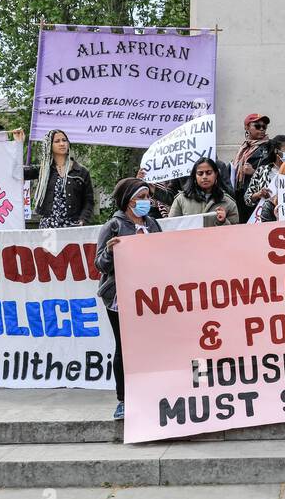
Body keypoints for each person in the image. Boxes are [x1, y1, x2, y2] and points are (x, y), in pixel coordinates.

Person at [96, 179, 162, 421]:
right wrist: (110, 251)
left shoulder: (153, 224)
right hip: (119, 297)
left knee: (150, 346)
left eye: (148, 196)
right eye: (142, 196)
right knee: (124, 348)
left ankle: (148, 393)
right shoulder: (112, 226)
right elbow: (99, 265)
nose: (147, 201)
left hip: (148, 296)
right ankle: (124, 399)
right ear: (128, 200)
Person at [16, 129, 95, 228]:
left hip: (72, 226)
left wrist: (82, 220)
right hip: (48, 227)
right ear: (49, 145)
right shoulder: (44, 170)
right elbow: (17, 173)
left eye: (64, 140)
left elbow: (89, 201)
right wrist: (18, 144)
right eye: (57, 141)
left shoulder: (81, 172)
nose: (62, 144)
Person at [169, 157, 240, 226]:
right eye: (200, 173)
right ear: (195, 176)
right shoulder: (181, 200)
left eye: (209, 173)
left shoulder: (228, 203)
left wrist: (223, 221)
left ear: (216, 174)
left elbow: (234, 233)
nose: (204, 177)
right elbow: (171, 227)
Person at [242, 135, 285, 219]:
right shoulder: (262, 171)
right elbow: (247, 198)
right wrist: (259, 194)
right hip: (265, 219)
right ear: (276, 151)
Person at [231, 113, 271, 217]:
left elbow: (275, 171)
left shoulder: (270, 147)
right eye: (257, 126)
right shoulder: (244, 147)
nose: (262, 129)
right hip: (241, 195)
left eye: (264, 126)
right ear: (247, 127)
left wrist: (254, 172)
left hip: (258, 197)